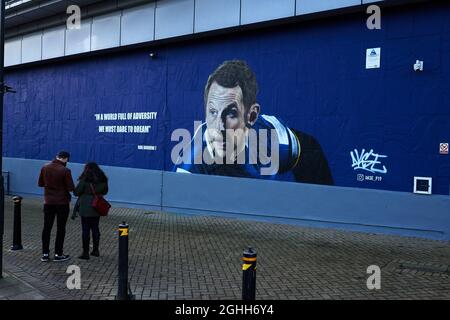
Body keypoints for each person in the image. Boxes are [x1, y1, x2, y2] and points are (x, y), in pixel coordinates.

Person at [174, 60, 333, 185]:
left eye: (231, 113)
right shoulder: (191, 162)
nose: (219, 127)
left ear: (251, 116)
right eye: (213, 112)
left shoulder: (275, 144)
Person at [38, 151, 75, 262]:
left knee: (47, 227)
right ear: (66, 159)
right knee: (61, 228)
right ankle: (58, 254)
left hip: (48, 202)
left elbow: (40, 183)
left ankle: (45, 254)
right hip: (62, 203)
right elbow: (71, 188)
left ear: (56, 157)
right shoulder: (65, 170)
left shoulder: (45, 167)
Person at [73, 162, 108, 260]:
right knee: (95, 228)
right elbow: (105, 191)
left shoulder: (85, 179)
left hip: (85, 207)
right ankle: (96, 250)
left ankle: (85, 253)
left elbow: (76, 192)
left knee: (85, 230)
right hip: (97, 207)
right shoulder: (103, 179)